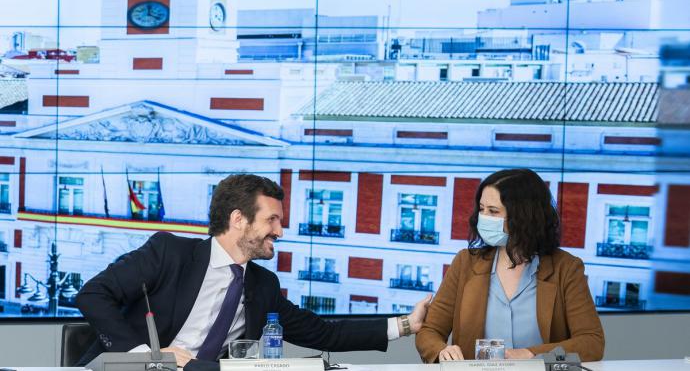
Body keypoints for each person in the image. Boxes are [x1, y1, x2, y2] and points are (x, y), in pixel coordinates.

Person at [76, 174, 431, 368]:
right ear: (238, 220)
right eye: (272, 220)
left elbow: (323, 334)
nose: (279, 231)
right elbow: (92, 295)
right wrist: (148, 359)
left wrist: (405, 326)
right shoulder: (169, 253)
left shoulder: (262, 284)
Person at [416, 169, 604, 363]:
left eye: (493, 211)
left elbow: (591, 342)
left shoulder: (566, 268)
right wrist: (442, 351)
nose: (484, 217)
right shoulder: (465, 262)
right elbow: (429, 331)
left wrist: (530, 353)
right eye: (481, 209)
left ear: (524, 216)